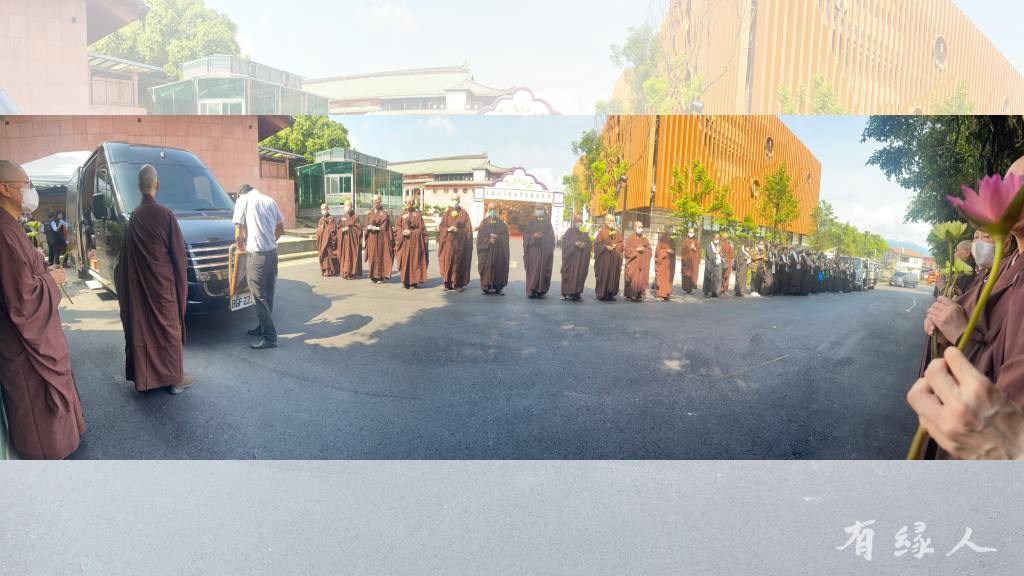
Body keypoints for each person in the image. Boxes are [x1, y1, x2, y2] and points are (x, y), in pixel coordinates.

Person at [0, 159, 86, 458]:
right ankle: (46, 453)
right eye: (25, 184)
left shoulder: (12, 225)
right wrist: (50, 280)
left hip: (36, 330)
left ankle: (64, 438)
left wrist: (43, 269)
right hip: (23, 342)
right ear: (5, 188)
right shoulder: (3, 231)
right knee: (35, 397)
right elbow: (22, 298)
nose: (30, 190)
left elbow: (22, 274)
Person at [114, 165, 194, 394]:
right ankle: (175, 380)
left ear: (139, 187)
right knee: (169, 331)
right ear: (156, 185)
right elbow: (179, 257)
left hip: (140, 288)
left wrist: (128, 287)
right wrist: (181, 288)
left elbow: (124, 260)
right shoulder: (166, 215)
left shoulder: (135, 217)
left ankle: (145, 378)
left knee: (144, 329)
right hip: (163, 288)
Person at [233, 184, 284, 350]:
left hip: (256, 256)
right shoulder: (269, 200)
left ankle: (269, 337)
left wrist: (241, 252)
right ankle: (262, 327)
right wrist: (269, 242)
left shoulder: (243, 201)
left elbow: (238, 233)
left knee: (257, 296)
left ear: (240, 194)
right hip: (272, 254)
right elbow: (280, 229)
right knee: (268, 294)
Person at [437, 196, 473, 292]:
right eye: (453, 200)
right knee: (447, 261)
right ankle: (447, 283)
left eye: (456, 200)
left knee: (459, 262)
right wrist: (448, 229)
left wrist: (458, 230)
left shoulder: (464, 213)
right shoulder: (447, 213)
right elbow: (441, 227)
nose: (454, 202)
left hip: (460, 244)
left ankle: (459, 284)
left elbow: (468, 230)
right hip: (448, 243)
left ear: (459, 201)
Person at [476, 205, 510, 295]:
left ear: (497, 210)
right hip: (487, 252)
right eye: (491, 209)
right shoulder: (483, 223)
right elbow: (480, 238)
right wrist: (488, 241)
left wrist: (498, 237)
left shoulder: (502, 224)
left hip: (498, 251)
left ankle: (498, 287)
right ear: (488, 210)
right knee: (486, 268)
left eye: (494, 209)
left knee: (499, 267)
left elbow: (506, 237)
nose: (493, 211)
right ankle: (485, 287)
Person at [395, 197, 428, 289]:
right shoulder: (401, 215)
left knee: (414, 262)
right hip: (404, 242)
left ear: (413, 203)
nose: (407, 203)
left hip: (415, 243)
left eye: (409, 202)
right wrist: (402, 232)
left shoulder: (417, 215)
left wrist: (412, 233)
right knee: (404, 262)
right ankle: (405, 281)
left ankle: (414, 281)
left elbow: (422, 229)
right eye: (406, 201)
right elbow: (397, 228)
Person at [522, 206, 555, 298]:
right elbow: (525, 235)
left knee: (542, 270)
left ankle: (540, 290)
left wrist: (543, 237)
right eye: (538, 210)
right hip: (533, 251)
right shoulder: (531, 223)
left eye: (541, 210)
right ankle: (531, 290)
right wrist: (533, 236)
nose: (539, 212)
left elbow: (551, 238)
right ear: (535, 212)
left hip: (544, 251)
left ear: (544, 212)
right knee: (532, 270)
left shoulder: (548, 224)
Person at [560, 213, 591, 302]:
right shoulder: (569, 231)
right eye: (578, 221)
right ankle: (564, 293)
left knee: (579, 275)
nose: (579, 223)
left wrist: (584, 245)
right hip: (570, 260)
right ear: (574, 222)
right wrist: (574, 244)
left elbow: (589, 244)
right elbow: (564, 243)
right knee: (567, 275)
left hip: (581, 260)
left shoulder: (584, 233)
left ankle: (577, 293)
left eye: (581, 221)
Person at [364, 195, 394, 284]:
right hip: (371, 238)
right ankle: (372, 276)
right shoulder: (370, 213)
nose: (374, 203)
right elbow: (366, 224)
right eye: (373, 201)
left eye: (376, 201)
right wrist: (368, 227)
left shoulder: (384, 213)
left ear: (380, 202)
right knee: (372, 257)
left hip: (380, 238)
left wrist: (377, 228)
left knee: (379, 256)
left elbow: (386, 227)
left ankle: (380, 277)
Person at [593, 213, 624, 301]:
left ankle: (610, 293)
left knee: (612, 276)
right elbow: (596, 245)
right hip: (604, 260)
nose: (611, 222)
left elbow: (622, 244)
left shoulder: (617, 232)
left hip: (614, 260)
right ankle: (601, 294)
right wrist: (606, 247)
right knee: (604, 275)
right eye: (609, 220)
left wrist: (616, 246)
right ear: (605, 221)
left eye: (613, 220)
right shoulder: (602, 232)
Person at [623, 222, 652, 302]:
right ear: (635, 227)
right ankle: (630, 295)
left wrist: (644, 250)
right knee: (633, 279)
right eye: (639, 227)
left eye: (642, 227)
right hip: (633, 264)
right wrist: (636, 250)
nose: (641, 229)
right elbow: (627, 251)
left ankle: (639, 294)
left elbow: (649, 251)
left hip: (641, 264)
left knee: (640, 279)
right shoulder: (630, 238)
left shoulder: (644, 239)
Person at [337, 202, 363, 280]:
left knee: (351, 257)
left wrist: (350, 229)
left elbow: (359, 230)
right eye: (345, 206)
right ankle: (345, 273)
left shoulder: (355, 217)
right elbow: (339, 228)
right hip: (344, 242)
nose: (346, 207)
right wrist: (342, 229)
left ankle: (351, 273)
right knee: (345, 257)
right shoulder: (343, 217)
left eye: (348, 206)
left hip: (352, 242)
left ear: (351, 207)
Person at [315, 203, 338, 277]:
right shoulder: (321, 220)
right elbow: (318, 231)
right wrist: (321, 228)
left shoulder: (332, 218)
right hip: (322, 242)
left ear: (327, 209)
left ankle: (331, 271)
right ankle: (325, 270)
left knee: (330, 257)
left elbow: (333, 230)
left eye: (324, 209)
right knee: (324, 257)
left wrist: (326, 226)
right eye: (322, 209)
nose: (323, 211)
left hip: (329, 242)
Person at [653, 228, 676, 301]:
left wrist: (672, 252)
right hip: (662, 262)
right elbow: (658, 251)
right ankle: (660, 294)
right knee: (662, 278)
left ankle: (666, 293)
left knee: (668, 278)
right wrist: (666, 251)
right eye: (670, 229)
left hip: (669, 263)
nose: (671, 230)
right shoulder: (661, 239)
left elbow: (673, 249)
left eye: (672, 229)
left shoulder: (671, 239)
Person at [679, 227, 700, 294]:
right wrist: (689, 248)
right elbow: (683, 251)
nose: (691, 233)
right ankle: (686, 288)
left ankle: (691, 288)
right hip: (687, 260)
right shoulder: (685, 241)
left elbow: (698, 251)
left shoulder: (696, 241)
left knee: (693, 274)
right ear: (688, 233)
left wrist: (695, 248)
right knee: (686, 274)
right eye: (690, 232)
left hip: (693, 261)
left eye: (692, 232)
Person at [703, 232, 723, 297]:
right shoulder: (709, 246)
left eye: (718, 239)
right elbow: (709, 255)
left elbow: (721, 254)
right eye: (716, 238)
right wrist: (716, 253)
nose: (717, 240)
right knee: (708, 278)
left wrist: (721, 254)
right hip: (710, 265)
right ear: (713, 238)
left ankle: (715, 292)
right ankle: (706, 292)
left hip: (717, 265)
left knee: (717, 278)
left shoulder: (719, 245)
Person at [720, 231, 734, 295]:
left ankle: (720, 288)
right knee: (726, 276)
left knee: (721, 276)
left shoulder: (720, 245)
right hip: (728, 263)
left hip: (721, 262)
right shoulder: (729, 246)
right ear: (727, 238)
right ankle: (724, 289)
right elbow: (731, 256)